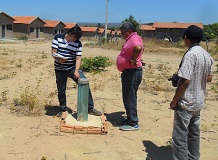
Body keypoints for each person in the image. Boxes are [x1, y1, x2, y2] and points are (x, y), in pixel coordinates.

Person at [170, 25, 214, 160]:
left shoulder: (190, 54)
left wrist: (174, 101)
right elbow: (209, 78)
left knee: (179, 137)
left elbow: (185, 82)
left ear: (186, 38)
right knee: (194, 134)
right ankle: (194, 157)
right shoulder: (206, 54)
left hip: (186, 102)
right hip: (198, 102)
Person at [51, 25, 102, 116]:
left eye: (76, 39)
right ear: (70, 33)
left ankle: (90, 108)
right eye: (74, 37)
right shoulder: (57, 38)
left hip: (72, 68)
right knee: (61, 89)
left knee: (84, 84)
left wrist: (76, 70)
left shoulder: (78, 43)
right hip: (60, 69)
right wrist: (59, 60)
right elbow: (54, 53)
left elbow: (78, 58)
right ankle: (63, 110)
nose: (74, 40)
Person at [116, 22, 144, 131]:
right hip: (130, 71)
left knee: (130, 97)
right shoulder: (133, 38)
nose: (122, 35)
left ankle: (133, 123)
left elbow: (138, 47)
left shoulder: (134, 39)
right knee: (128, 96)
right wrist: (137, 58)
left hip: (132, 72)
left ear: (130, 31)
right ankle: (130, 118)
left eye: (123, 33)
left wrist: (133, 59)